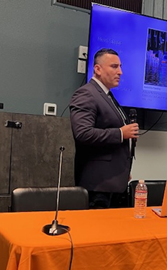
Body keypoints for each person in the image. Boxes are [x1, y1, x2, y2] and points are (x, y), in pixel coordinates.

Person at [70, 48, 139, 208]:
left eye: (120, 66)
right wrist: (121, 133)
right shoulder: (86, 94)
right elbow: (83, 133)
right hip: (98, 185)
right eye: (114, 67)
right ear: (98, 69)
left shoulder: (106, 95)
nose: (120, 72)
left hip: (113, 182)